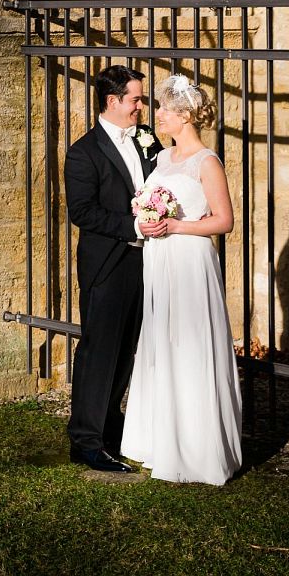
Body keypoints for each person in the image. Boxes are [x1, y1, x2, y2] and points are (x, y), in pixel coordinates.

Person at [118, 73, 244, 485]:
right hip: (159, 261)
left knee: (189, 343)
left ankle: (196, 449)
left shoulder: (207, 162)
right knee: (161, 341)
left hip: (190, 260)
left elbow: (223, 221)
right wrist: (148, 220)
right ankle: (159, 440)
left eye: (164, 110)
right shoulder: (161, 160)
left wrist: (174, 228)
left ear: (185, 116)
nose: (157, 115)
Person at [65, 64, 167, 473]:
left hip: (143, 260)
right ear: (113, 101)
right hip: (107, 263)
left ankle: (109, 428)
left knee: (126, 350)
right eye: (136, 100)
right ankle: (85, 441)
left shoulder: (146, 140)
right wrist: (133, 225)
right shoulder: (83, 152)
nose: (141, 107)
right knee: (99, 350)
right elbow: (82, 212)